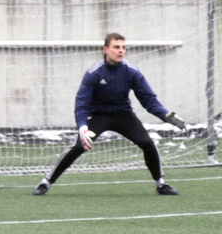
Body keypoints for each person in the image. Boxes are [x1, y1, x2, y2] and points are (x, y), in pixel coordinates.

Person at [33, 32, 187, 196]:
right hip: (98, 116)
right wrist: (83, 127)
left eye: (123, 47)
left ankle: (161, 184)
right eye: (116, 47)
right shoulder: (94, 73)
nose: (121, 51)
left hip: (123, 115)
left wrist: (165, 114)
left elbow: (148, 100)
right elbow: (81, 104)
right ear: (106, 49)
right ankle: (46, 182)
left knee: (147, 143)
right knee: (78, 146)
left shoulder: (131, 71)